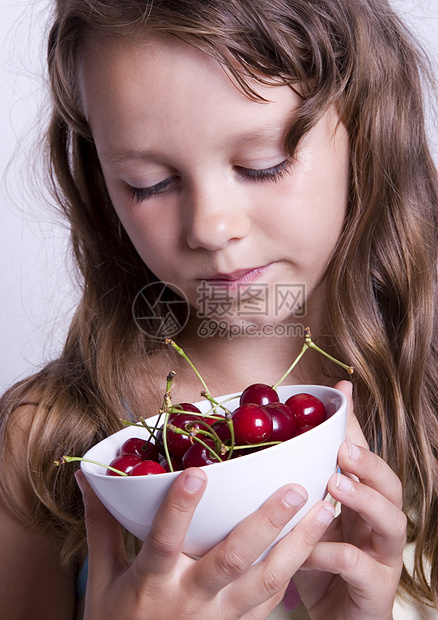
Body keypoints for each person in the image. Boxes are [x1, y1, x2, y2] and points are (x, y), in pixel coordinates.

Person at [1, 0, 437, 617]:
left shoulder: (426, 404)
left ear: (368, 133)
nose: (210, 226)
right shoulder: (40, 442)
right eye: (149, 183)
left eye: (262, 166)